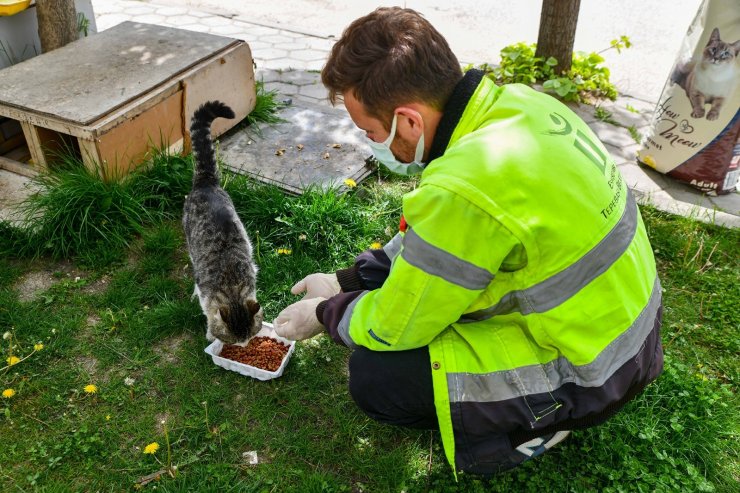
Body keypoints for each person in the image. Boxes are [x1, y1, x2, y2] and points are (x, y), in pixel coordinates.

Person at [273, 6, 663, 476]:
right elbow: (433, 247)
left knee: (378, 378)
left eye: (372, 133)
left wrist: (325, 315)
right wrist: (346, 280)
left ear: (409, 122)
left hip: (590, 374)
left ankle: (535, 426)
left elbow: (397, 326)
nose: (375, 145)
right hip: (632, 336)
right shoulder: (522, 105)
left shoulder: (462, 189)